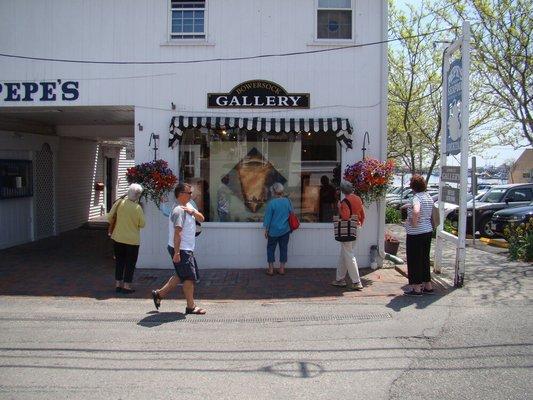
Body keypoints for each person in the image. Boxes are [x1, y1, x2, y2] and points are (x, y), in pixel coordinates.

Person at [151, 183, 207, 314]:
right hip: (181, 249)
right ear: (181, 194)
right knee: (189, 278)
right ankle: (191, 306)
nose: (191, 195)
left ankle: (159, 294)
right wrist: (177, 253)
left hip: (186, 248)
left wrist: (193, 212)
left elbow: (202, 218)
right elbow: (178, 233)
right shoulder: (178, 211)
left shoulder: (189, 206)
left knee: (181, 275)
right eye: (189, 193)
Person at [107, 183, 145, 294]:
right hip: (132, 240)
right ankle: (127, 286)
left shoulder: (119, 203)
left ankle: (118, 284)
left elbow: (110, 217)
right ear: (138, 195)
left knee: (119, 261)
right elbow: (142, 224)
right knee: (130, 263)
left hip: (118, 238)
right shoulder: (137, 208)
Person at [403, 175, 434, 296]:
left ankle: (416, 288)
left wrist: (413, 222)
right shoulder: (428, 196)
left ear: (413, 186)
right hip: (427, 231)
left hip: (416, 233)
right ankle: (428, 285)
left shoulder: (416, 198)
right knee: (424, 259)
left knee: (414, 259)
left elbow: (416, 210)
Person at [331, 181, 365, 291]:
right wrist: (360, 223)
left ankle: (356, 281)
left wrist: (339, 207)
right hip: (357, 227)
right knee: (344, 254)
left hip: (348, 230)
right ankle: (340, 279)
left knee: (349, 255)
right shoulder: (358, 199)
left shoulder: (345, 201)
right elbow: (363, 214)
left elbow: (345, 217)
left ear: (342, 191)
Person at [263, 182, 292, 276]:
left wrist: (266, 230)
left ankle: (271, 269)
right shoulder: (288, 201)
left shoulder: (272, 203)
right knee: (284, 249)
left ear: (274, 191)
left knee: (270, 249)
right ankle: (282, 269)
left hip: (273, 231)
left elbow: (268, 218)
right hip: (285, 230)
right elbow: (291, 214)